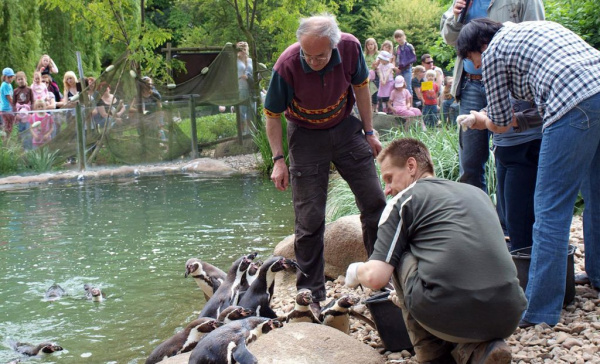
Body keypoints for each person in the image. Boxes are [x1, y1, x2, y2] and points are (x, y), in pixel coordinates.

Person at [456, 18, 600, 327]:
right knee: (597, 193)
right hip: (595, 88)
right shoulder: (533, 30)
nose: (474, 68)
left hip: (573, 103)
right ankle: (598, 273)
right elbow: (536, 112)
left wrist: (480, 120)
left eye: (471, 61)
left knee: (549, 207)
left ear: (480, 46)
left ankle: (540, 310)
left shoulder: (493, 53)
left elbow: (501, 123)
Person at [345, 138, 526, 364]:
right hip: (509, 314)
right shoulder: (477, 193)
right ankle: (478, 349)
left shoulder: (405, 200)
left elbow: (376, 278)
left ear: (411, 166)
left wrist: (354, 271)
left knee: (396, 253)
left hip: (446, 312)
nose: (387, 189)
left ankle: (432, 354)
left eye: (389, 178)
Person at [263, 13, 387, 314]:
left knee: (375, 203)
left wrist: (368, 131)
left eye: (319, 56)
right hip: (305, 136)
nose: (312, 61)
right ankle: (311, 292)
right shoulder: (287, 64)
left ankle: (380, 281)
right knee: (310, 218)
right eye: (307, 54)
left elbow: (360, 88)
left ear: (334, 45)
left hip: (345, 127)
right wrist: (279, 160)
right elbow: (272, 115)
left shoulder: (350, 48)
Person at [441, 0, 545, 191]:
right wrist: (455, 18)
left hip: (512, 81)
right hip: (470, 83)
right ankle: (477, 217)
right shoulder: (463, 2)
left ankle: (508, 216)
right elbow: (450, 39)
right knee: (470, 161)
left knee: (512, 154)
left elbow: (536, 33)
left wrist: (491, 120)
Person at [236, 41, 254, 133]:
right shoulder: (235, 61)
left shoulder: (250, 60)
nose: (243, 50)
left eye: (244, 48)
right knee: (241, 112)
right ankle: (242, 135)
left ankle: (251, 135)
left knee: (252, 112)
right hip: (241, 88)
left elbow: (253, 73)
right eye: (240, 48)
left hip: (251, 88)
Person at [392, 30, 416, 96]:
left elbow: (412, 58)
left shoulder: (409, 46)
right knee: (398, 86)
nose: (399, 39)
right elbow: (393, 59)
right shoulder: (396, 48)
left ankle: (410, 104)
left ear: (404, 36)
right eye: (397, 37)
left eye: (400, 36)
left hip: (407, 69)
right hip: (398, 69)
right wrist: (395, 68)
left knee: (407, 86)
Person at [363, 38, 379, 111]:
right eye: (368, 44)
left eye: (372, 44)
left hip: (376, 74)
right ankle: (368, 107)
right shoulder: (364, 55)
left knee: (375, 91)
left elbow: (378, 64)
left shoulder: (378, 54)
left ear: (375, 45)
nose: (370, 46)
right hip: (366, 74)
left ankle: (375, 107)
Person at [1, 67, 16, 136]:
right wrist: (15, 105)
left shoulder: (9, 85)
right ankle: (5, 143)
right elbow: (9, 98)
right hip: (5, 109)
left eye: (11, 77)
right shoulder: (4, 85)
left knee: (10, 128)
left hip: (9, 109)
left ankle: (8, 143)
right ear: (4, 77)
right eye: (8, 77)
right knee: (6, 128)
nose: (10, 79)